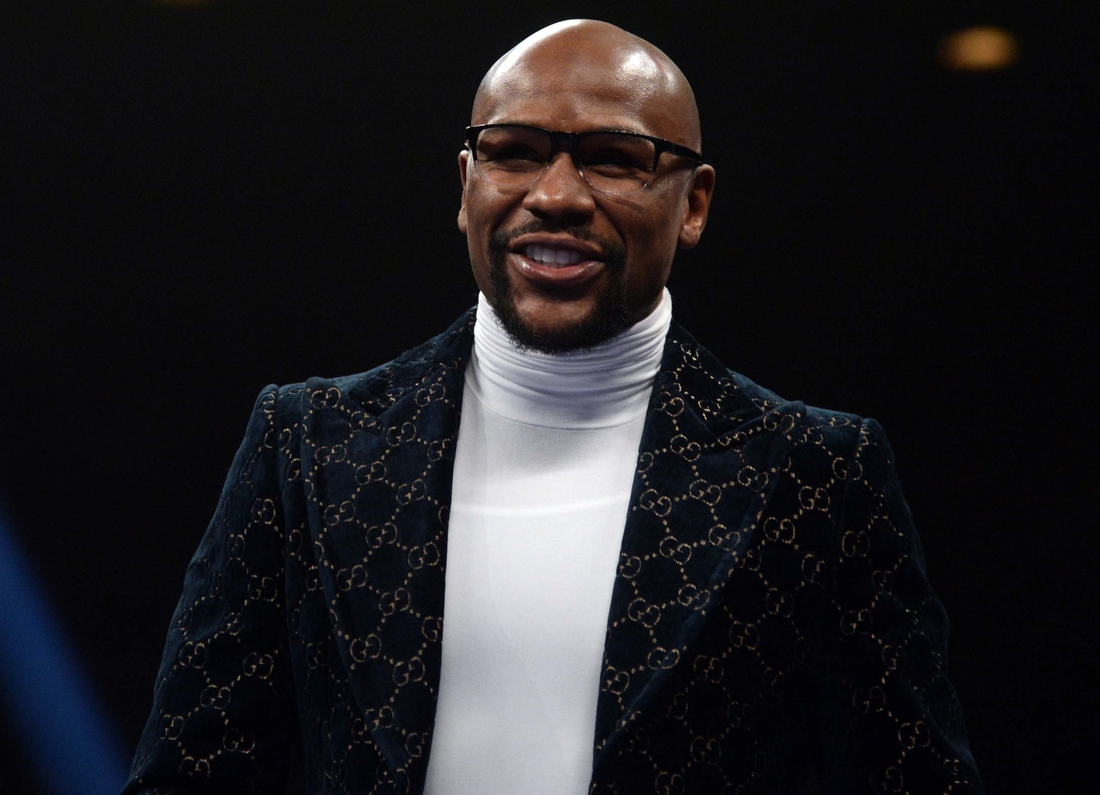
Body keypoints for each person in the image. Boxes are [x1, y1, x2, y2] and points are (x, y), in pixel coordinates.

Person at [123, 19, 983, 795]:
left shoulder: (816, 473)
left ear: (695, 204)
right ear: (466, 183)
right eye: (516, 151)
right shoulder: (307, 445)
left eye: (614, 157)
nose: (559, 194)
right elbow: (191, 773)